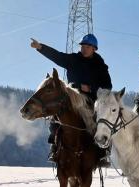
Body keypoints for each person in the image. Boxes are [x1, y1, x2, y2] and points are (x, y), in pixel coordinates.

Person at [30, 34, 112, 165]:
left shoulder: (100, 66)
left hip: (91, 100)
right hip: (71, 98)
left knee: (102, 122)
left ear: (94, 48)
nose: (84, 49)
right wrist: (40, 47)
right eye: (82, 46)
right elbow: (57, 56)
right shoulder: (73, 59)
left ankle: (103, 154)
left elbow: (108, 86)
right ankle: (54, 147)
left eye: (87, 46)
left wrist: (91, 89)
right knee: (55, 117)